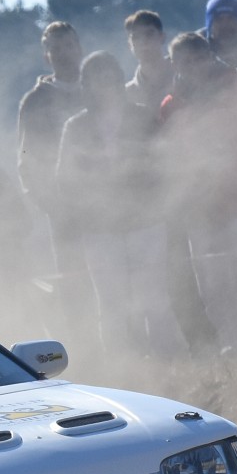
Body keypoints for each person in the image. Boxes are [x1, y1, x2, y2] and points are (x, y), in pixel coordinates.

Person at [54, 52, 174, 356]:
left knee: (155, 297)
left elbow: (164, 164)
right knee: (111, 303)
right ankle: (121, 367)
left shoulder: (143, 117)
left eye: (109, 76)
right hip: (100, 228)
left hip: (146, 221)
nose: (104, 84)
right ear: (86, 85)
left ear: (119, 79)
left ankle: (167, 360)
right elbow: (64, 178)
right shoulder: (76, 126)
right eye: (96, 79)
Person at [160, 32, 237, 349]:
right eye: (184, 61)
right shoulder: (170, 105)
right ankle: (233, 343)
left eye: (197, 58)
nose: (192, 66)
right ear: (175, 64)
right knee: (214, 281)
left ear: (208, 57)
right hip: (200, 207)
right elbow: (170, 155)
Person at [17, 23, 89, 324]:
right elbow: (26, 162)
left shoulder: (96, 87)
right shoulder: (35, 102)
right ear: (46, 56)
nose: (63, 53)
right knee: (74, 284)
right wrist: (52, 206)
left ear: (80, 48)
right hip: (62, 213)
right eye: (55, 48)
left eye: (68, 45)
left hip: (107, 204)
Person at [125, 10, 174, 108]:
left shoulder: (182, 76)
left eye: (149, 34)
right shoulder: (127, 95)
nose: (143, 41)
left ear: (162, 37)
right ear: (130, 45)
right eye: (136, 37)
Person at [203, 0, 237, 69]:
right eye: (219, 19)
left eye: (231, 18)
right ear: (210, 25)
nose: (225, 24)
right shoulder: (193, 55)